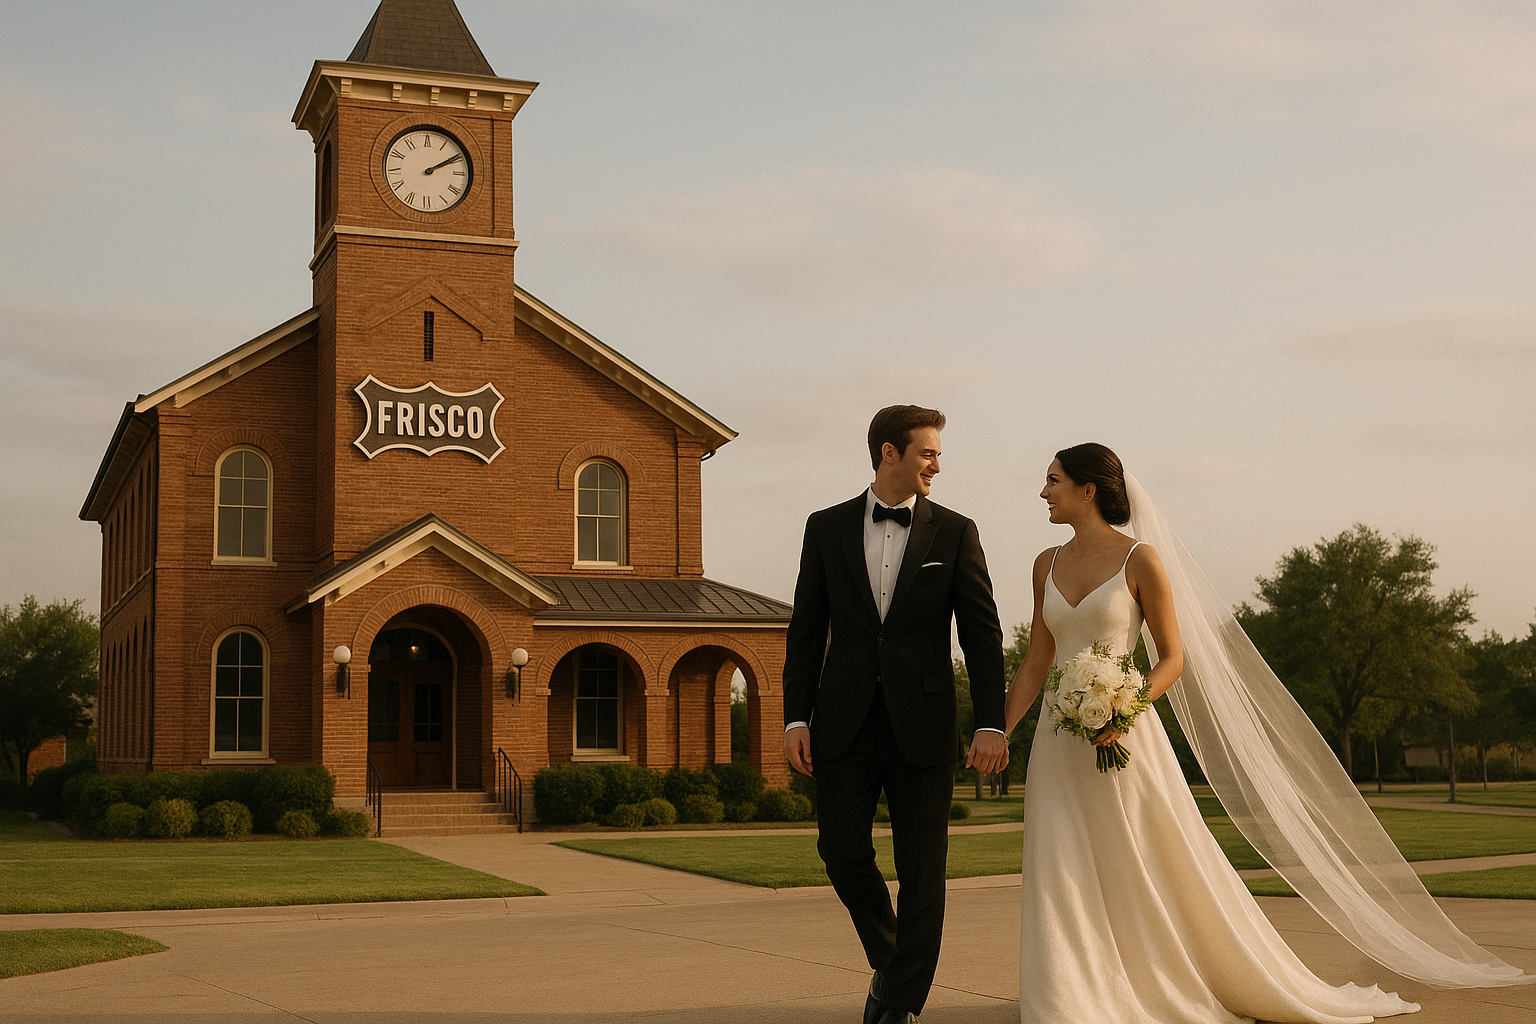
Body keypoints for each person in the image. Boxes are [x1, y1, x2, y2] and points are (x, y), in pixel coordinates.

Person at [1005, 443, 1530, 1023]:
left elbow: (1173, 658)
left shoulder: (1140, 560)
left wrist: (1124, 709)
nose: (1043, 492)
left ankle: (1150, 984)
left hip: (1126, 739)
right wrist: (996, 729)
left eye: (1052, 481)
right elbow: (1037, 659)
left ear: (1088, 490)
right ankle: (1068, 997)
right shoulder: (1044, 566)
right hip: (1059, 744)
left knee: (1144, 859)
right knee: (1060, 862)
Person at [783, 405, 1009, 1024]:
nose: (938, 463)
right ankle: (894, 962)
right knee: (841, 851)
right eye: (927, 453)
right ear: (890, 453)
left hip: (926, 726)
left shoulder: (957, 532)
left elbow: (982, 636)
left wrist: (992, 720)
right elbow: (806, 629)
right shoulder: (824, 528)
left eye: (937, 453)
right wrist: (794, 717)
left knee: (923, 872)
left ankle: (899, 1002)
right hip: (843, 722)